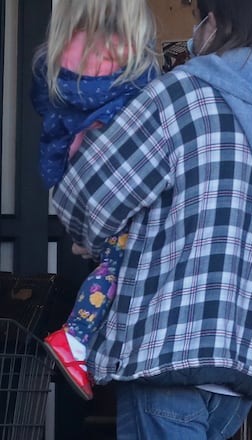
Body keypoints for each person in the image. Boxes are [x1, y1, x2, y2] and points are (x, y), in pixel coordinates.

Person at [51, 0, 252, 437]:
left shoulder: (181, 97)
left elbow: (87, 195)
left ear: (214, 24)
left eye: (197, 22)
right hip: (240, 377)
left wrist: (88, 236)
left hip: (167, 359)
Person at [30, 0, 159, 401]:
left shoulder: (54, 61)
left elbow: (48, 121)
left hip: (76, 181)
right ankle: (76, 336)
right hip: (117, 183)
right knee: (119, 265)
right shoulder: (134, 66)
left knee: (110, 258)